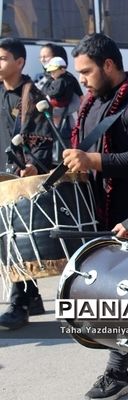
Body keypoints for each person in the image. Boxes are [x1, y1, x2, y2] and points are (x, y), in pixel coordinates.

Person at [67, 33, 128, 400]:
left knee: (121, 295)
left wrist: (93, 160)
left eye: (86, 72)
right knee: (103, 293)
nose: (81, 79)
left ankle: (117, 372)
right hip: (101, 211)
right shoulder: (91, 103)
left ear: (109, 65)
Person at [0, 37, 53, 330]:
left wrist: (34, 164)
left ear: (20, 62)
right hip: (0, 177)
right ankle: (33, 297)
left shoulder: (33, 95)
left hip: (19, 180)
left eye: (3, 58)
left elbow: (44, 138)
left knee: (15, 240)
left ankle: (19, 305)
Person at [44, 56, 83, 148]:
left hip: (60, 106)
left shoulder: (61, 81)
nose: (51, 73)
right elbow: (80, 93)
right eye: (50, 71)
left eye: (54, 71)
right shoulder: (69, 78)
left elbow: (53, 93)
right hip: (64, 108)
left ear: (62, 69)